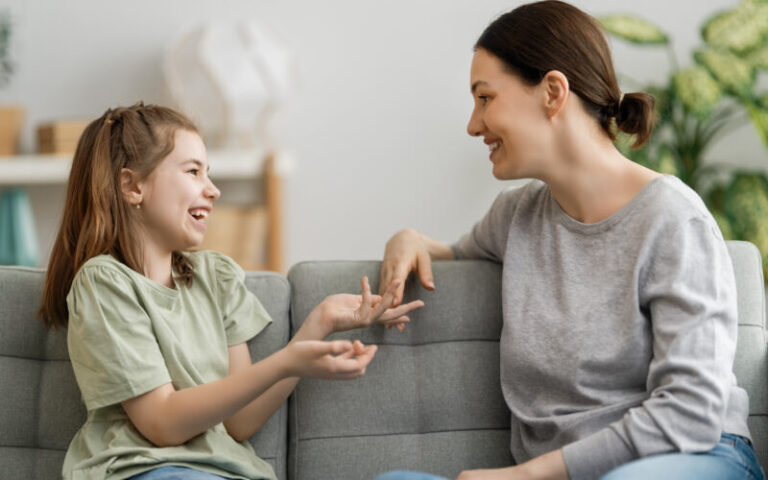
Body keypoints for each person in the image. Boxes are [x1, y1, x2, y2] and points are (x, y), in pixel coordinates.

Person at [375, 1, 763, 480]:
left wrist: (529, 474)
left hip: (693, 457)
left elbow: (691, 414)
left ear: (552, 92)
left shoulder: (673, 221)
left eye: (485, 98)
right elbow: (452, 253)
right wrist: (407, 238)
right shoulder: (516, 217)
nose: (473, 126)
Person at [38, 102, 424, 480]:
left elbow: (239, 423)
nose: (213, 190)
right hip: (148, 469)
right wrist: (286, 362)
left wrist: (318, 323)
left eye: (209, 173)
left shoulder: (215, 277)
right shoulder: (104, 282)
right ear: (132, 185)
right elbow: (161, 422)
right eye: (193, 171)